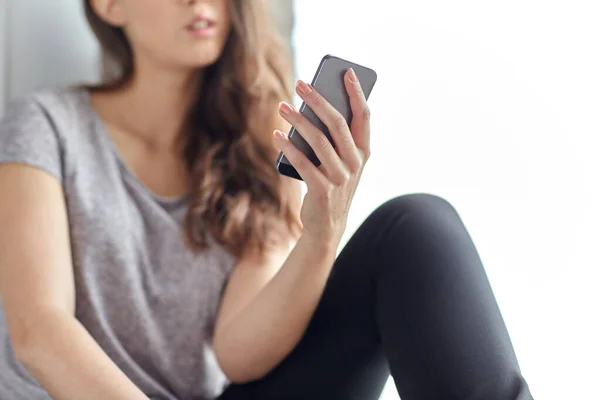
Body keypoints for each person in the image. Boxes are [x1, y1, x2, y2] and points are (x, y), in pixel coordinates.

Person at [0, 0, 534, 399]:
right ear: (109, 4)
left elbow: (238, 352)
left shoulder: (257, 143)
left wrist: (323, 232)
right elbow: (39, 332)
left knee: (416, 226)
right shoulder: (45, 127)